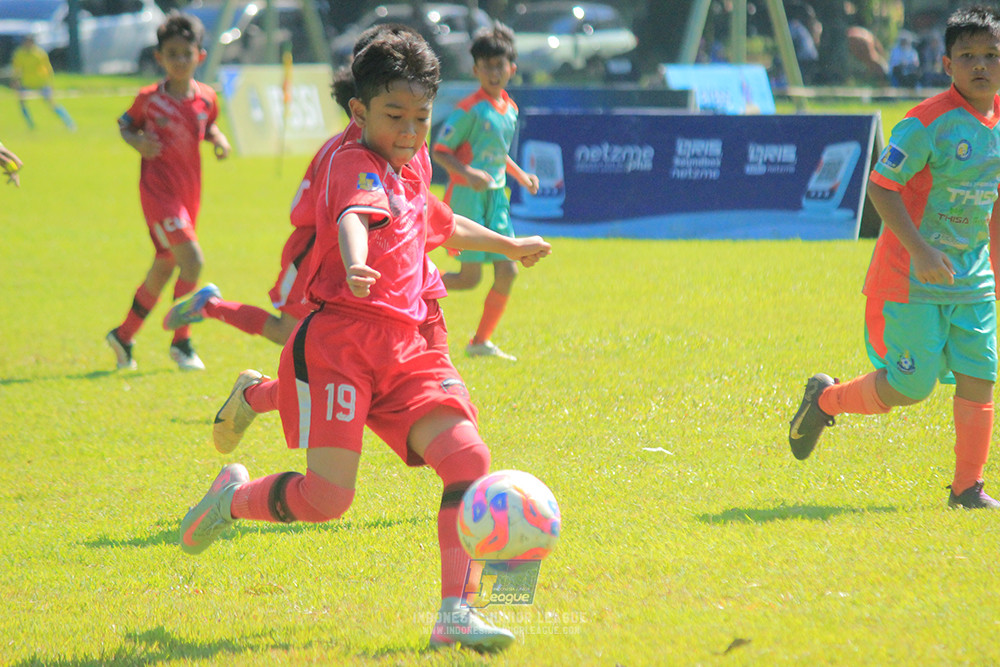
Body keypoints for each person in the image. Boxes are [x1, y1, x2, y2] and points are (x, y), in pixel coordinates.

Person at [178, 31, 551, 652]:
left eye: (421, 117)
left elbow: (438, 220)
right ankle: (230, 500)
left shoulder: (415, 162)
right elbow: (356, 216)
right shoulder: (352, 161)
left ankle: (455, 613)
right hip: (343, 346)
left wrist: (509, 245)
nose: (410, 130)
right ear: (360, 111)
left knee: (468, 461)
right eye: (395, 116)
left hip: (407, 348)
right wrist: (355, 263)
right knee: (327, 499)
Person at [788, 5, 1000, 510]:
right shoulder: (926, 123)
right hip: (912, 276)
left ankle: (967, 489)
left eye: (991, 55)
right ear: (946, 64)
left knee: (981, 374)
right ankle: (825, 399)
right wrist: (922, 250)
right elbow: (881, 188)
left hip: (972, 278)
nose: (980, 65)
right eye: (966, 55)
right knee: (911, 384)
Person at [106, 12, 231, 371]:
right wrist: (136, 142)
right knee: (193, 261)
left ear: (199, 56)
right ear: (159, 57)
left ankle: (124, 336)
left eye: (185, 53)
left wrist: (219, 140)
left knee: (164, 268)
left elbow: (207, 127)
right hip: (159, 197)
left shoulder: (206, 98)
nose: (179, 60)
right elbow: (125, 125)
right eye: (171, 53)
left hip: (189, 194)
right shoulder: (149, 99)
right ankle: (182, 343)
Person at [432, 24, 539, 361]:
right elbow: (440, 150)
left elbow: (496, 152)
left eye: (500, 65)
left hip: (496, 199)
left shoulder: (510, 109)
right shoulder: (469, 109)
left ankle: (480, 341)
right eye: (486, 66)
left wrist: (520, 175)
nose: (494, 72)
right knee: (468, 278)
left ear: (512, 69)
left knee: (508, 271)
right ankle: (409, 286)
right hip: (467, 198)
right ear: (475, 70)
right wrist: (467, 173)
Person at [11, 35, 75, 131]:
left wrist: (50, 83)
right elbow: (16, 69)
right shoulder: (19, 54)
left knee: (51, 103)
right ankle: (31, 126)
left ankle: (69, 123)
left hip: (40, 82)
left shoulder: (39, 53)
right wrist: (15, 81)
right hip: (27, 82)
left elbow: (48, 69)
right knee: (22, 103)